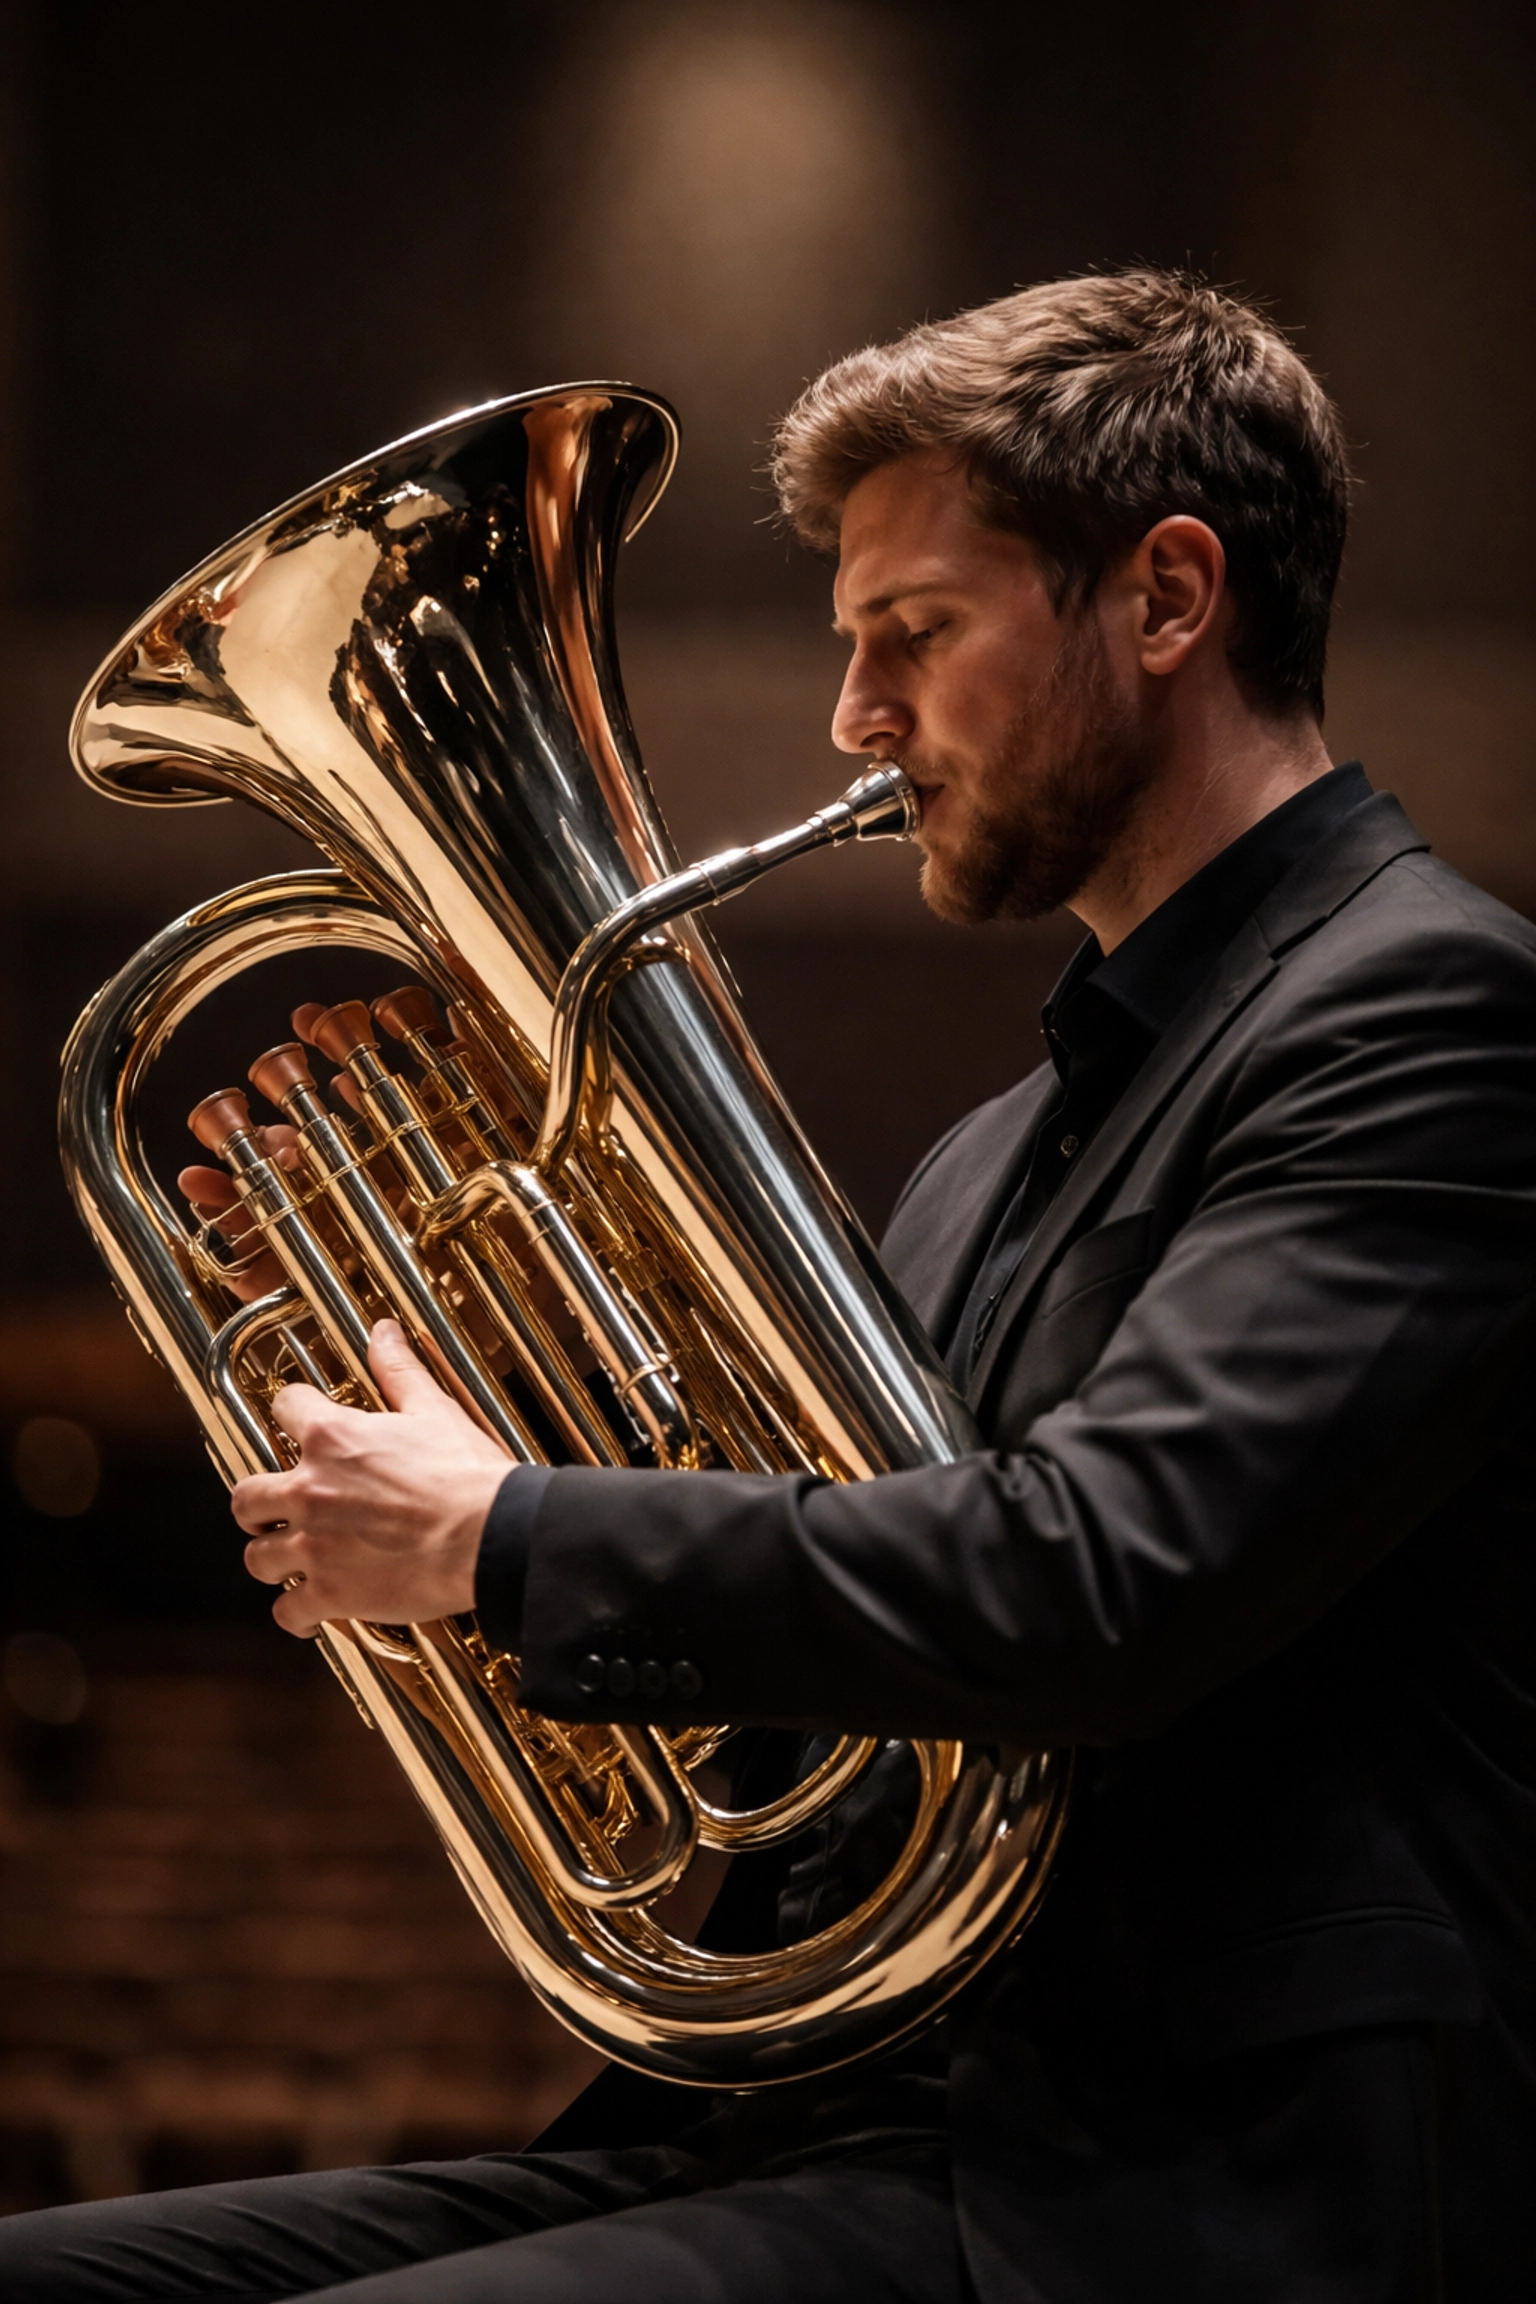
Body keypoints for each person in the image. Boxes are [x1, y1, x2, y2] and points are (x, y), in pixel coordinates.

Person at [6, 269, 1534, 2300]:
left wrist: (515, 1537)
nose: (853, 718)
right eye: (848, 646)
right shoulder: (995, 1155)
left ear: (1169, 600)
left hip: (1188, 2182)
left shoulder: (1429, 1018)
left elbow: (1099, 1583)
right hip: (866, 2127)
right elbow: (837, 1744)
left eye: (914, 633)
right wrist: (493, 1440)